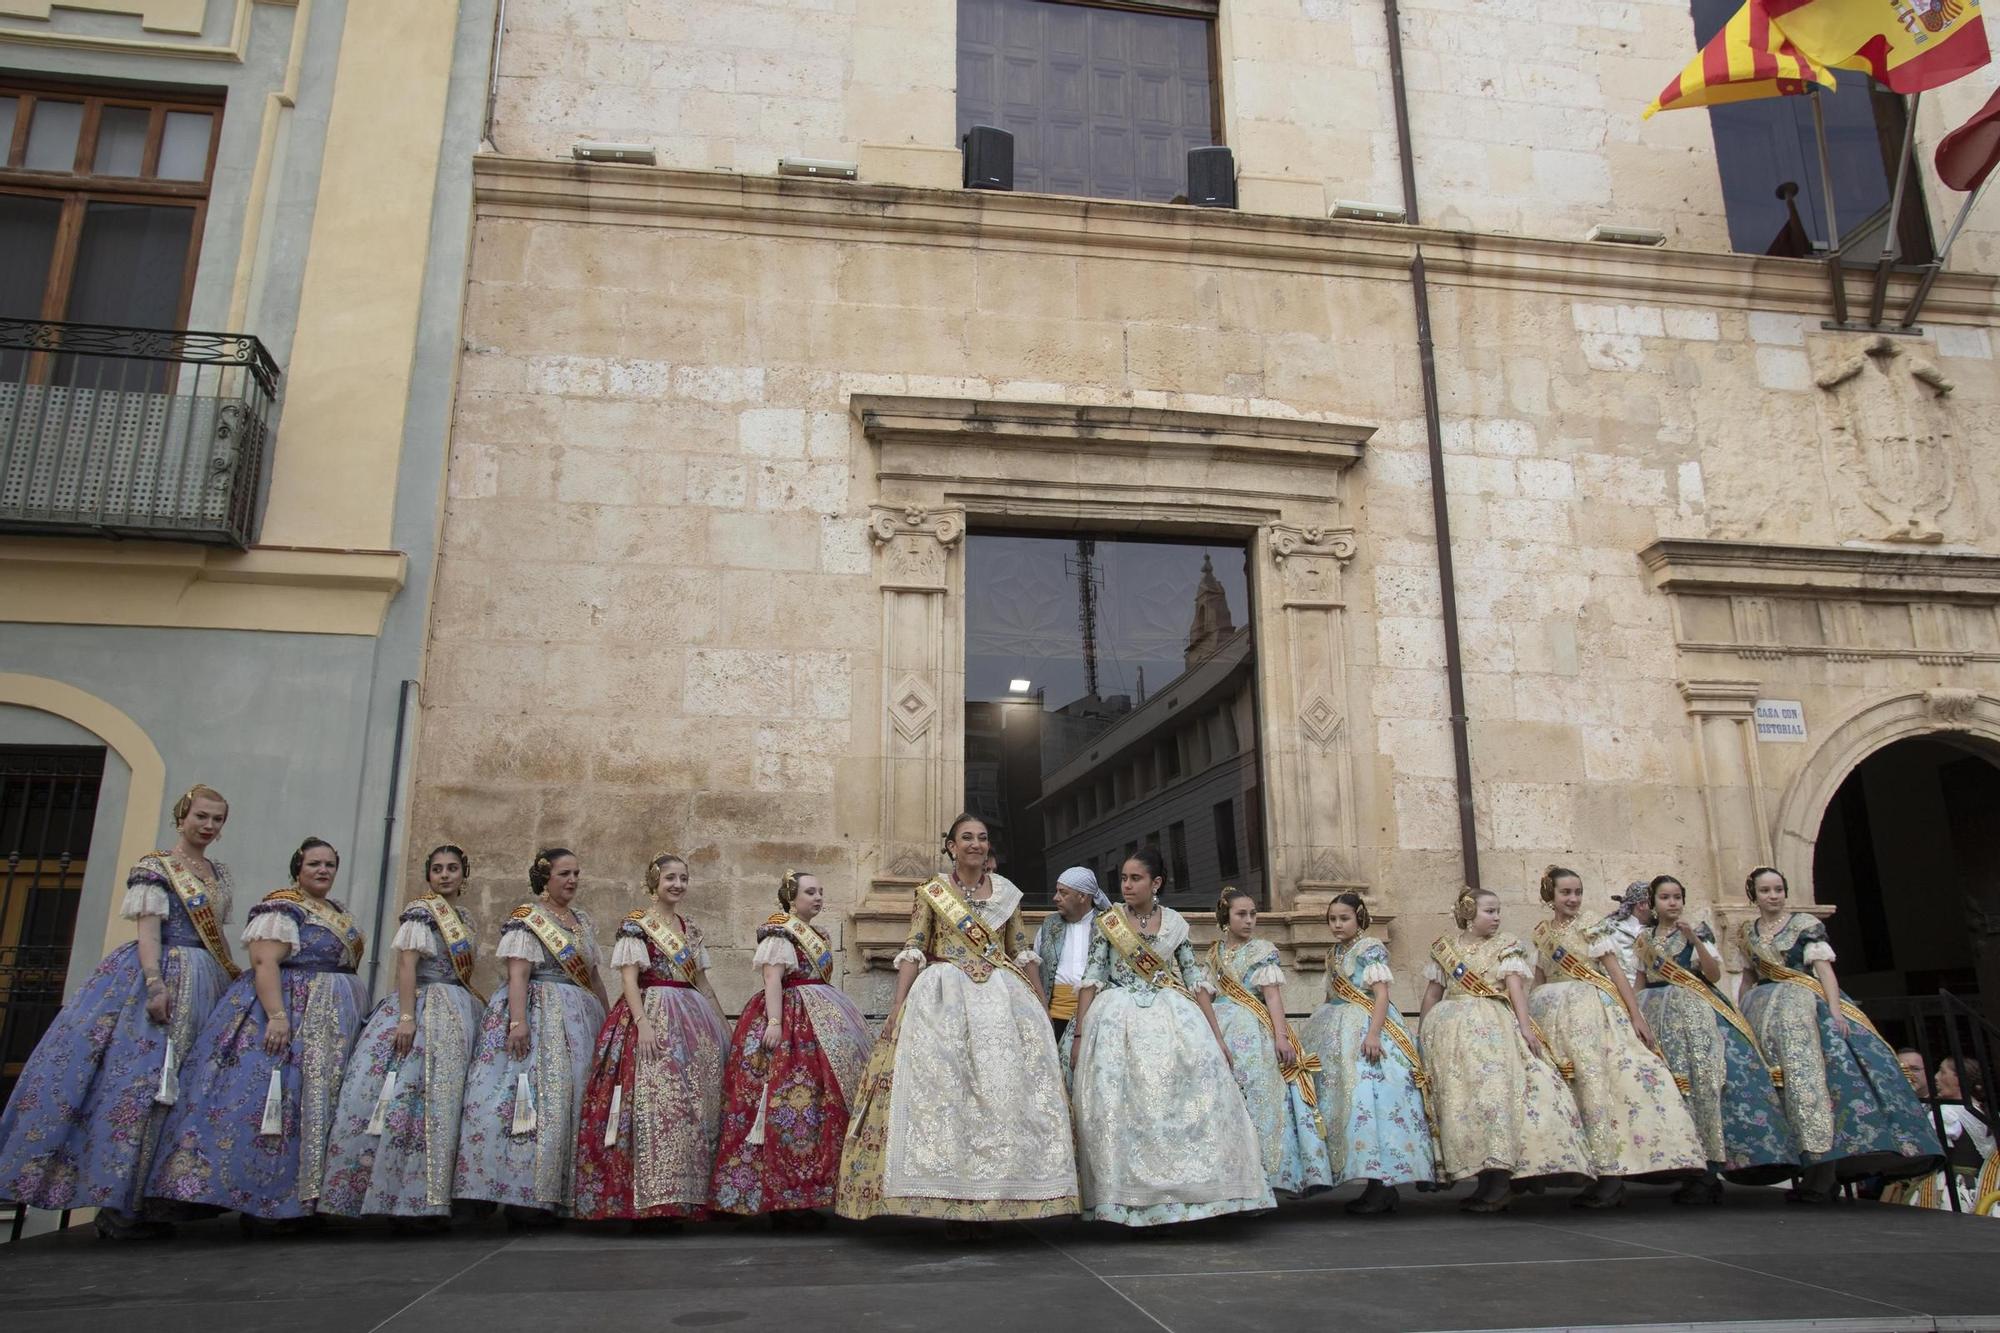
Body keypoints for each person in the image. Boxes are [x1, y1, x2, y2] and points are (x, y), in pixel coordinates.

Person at [0, 785, 237, 1239]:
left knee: (189, 1088)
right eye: (202, 817)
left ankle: (161, 1200)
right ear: (182, 815)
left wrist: (232, 976)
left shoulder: (218, 872)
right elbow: (149, 930)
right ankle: (119, 1202)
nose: (208, 826)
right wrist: (154, 983)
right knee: (142, 1087)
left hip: (206, 980)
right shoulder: (156, 867)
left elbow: (219, 936)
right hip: (164, 973)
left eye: (218, 820)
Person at [836, 813, 1078, 1227]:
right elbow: (914, 947)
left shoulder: (1007, 893)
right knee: (945, 1094)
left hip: (1002, 1000)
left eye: (982, 838)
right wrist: (898, 1006)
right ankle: (949, 1203)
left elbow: (1020, 949)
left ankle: (1001, 1196)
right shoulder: (931, 892)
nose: (975, 844)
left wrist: (1039, 1000)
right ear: (950, 846)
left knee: (1004, 1093)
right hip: (943, 997)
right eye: (966, 838)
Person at [148, 837, 369, 1226]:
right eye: (314, 863)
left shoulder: (336, 911)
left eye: (329, 865)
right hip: (293, 1017)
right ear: (297, 868)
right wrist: (278, 1016)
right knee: (273, 1104)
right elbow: (265, 961)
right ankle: (263, 1202)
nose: (322, 870)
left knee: (318, 1106)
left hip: (331, 1022)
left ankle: (307, 1198)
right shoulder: (283, 906)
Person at [1069, 849, 1273, 1226]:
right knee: (1124, 1108)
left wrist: (1217, 1037)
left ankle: (1187, 1197)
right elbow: (1092, 977)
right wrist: (1080, 1033)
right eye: (1124, 879)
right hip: (1117, 1019)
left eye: (1136, 879)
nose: (1127, 886)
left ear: (1156, 883)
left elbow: (1195, 979)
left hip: (1172, 1016)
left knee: (1186, 1101)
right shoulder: (1108, 923)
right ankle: (1127, 1201)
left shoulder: (1175, 924)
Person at [1737, 866, 1943, 1203]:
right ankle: (1804, 1171)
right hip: (1762, 1013)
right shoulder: (1747, 932)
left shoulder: (1804, 926)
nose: (1773, 896)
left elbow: (1824, 972)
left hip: (1804, 1009)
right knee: (1780, 1090)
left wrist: (1833, 1011)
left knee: (1817, 1088)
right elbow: (1748, 976)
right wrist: (1741, 1012)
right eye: (1765, 891)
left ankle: (1824, 1175)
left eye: (1778, 889)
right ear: (1753, 895)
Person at [319, 844, 483, 1226]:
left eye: (452, 868)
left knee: (446, 1100)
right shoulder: (420, 915)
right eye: (438, 869)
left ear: (463, 874)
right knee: (406, 1096)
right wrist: (407, 1017)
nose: (445, 875)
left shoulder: (465, 918)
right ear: (428, 875)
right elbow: (406, 966)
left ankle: (432, 1194)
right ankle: (393, 1193)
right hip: (424, 1006)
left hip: (457, 1009)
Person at [1529, 866, 1705, 1207]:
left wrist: (1635, 1014)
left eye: (1578, 891)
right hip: (1550, 1012)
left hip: (1591, 1011)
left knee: (1598, 1085)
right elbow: (1539, 977)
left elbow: (1614, 972)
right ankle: (1585, 1168)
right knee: (1567, 1089)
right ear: (1549, 895)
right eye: (1565, 892)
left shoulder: (1593, 924)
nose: (1573, 898)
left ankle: (1612, 1176)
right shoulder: (1541, 933)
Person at [709, 870, 873, 1225]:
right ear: (791, 898)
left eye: (820, 891)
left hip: (821, 1020)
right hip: (790, 1019)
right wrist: (774, 1022)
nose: (817, 897)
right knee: (783, 1104)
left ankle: (805, 1194)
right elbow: (772, 978)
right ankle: (778, 1199)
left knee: (815, 1109)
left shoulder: (818, 934)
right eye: (810, 892)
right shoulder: (780, 932)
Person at [454, 848, 608, 1223]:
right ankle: (519, 1192)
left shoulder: (582, 921)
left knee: (571, 1099)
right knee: (528, 1098)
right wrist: (517, 1021)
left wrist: (608, 1017)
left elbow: (593, 975)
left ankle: (558, 1191)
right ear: (545, 878)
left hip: (578, 1017)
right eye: (563, 874)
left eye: (576, 873)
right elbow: (518, 973)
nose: (571, 881)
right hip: (538, 1012)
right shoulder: (527, 919)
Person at [573, 851, 729, 1223]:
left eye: (683, 879)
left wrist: (724, 1025)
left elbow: (702, 983)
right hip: (652, 1012)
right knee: (653, 1102)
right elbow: (628, 979)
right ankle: (650, 1198)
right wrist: (642, 1024)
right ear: (654, 882)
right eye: (670, 878)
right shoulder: (637, 926)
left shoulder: (689, 928)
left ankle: (685, 1196)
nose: (678, 885)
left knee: (692, 1106)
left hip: (693, 1019)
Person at [1419, 887, 1592, 1213]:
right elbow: (1432, 994)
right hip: (1450, 1034)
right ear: (1469, 913)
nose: (1497, 917)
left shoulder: (1506, 946)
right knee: (1462, 1103)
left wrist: (1526, 1029)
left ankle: (1501, 1180)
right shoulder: (1446, 949)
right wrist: (1422, 1032)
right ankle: (1483, 1178)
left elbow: (1515, 991)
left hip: (1493, 1028)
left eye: (1498, 911)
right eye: (1489, 911)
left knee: (1495, 1100)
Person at [1635, 874, 1796, 1203]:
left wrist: (1694, 939)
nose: (1673, 902)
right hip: (1653, 1010)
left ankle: (1707, 1171)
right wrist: (1633, 1016)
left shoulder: (1697, 931)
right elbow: (1641, 979)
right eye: (1665, 897)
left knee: (1701, 1084)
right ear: (1653, 903)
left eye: (1678, 896)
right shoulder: (1644, 938)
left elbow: (1712, 975)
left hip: (1692, 1011)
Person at [1297, 892, 1437, 1215]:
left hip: (1367, 1028)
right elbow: (1330, 993)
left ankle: (1382, 1187)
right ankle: (1369, 1184)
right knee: (1344, 1104)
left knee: (1372, 1101)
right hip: (1334, 1028)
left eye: (1343, 918)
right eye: (1332, 919)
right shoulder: (1333, 953)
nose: (1337, 925)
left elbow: (1381, 995)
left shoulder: (1370, 948)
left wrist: (1374, 1034)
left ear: (1359, 917)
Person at [1205, 885, 1334, 1199]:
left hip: (1254, 1032)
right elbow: (1207, 995)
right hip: (1220, 1031)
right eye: (1241, 914)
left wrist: (1280, 1036)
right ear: (1225, 916)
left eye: (1253, 914)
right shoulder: (1214, 954)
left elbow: (1273, 998)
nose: (1249, 920)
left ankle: (1267, 1180)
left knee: (1261, 1101)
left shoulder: (1263, 951)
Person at [1035, 865, 1109, 1055]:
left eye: (1063, 892)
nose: (1055, 897)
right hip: (1052, 1018)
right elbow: (1035, 969)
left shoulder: (1108, 925)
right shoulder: (1049, 925)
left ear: (1083, 897)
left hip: (1097, 1017)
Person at [1598, 881, 1652, 986]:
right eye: (1653, 902)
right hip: (1611, 992)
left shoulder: (1655, 932)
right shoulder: (1609, 927)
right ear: (1641, 905)